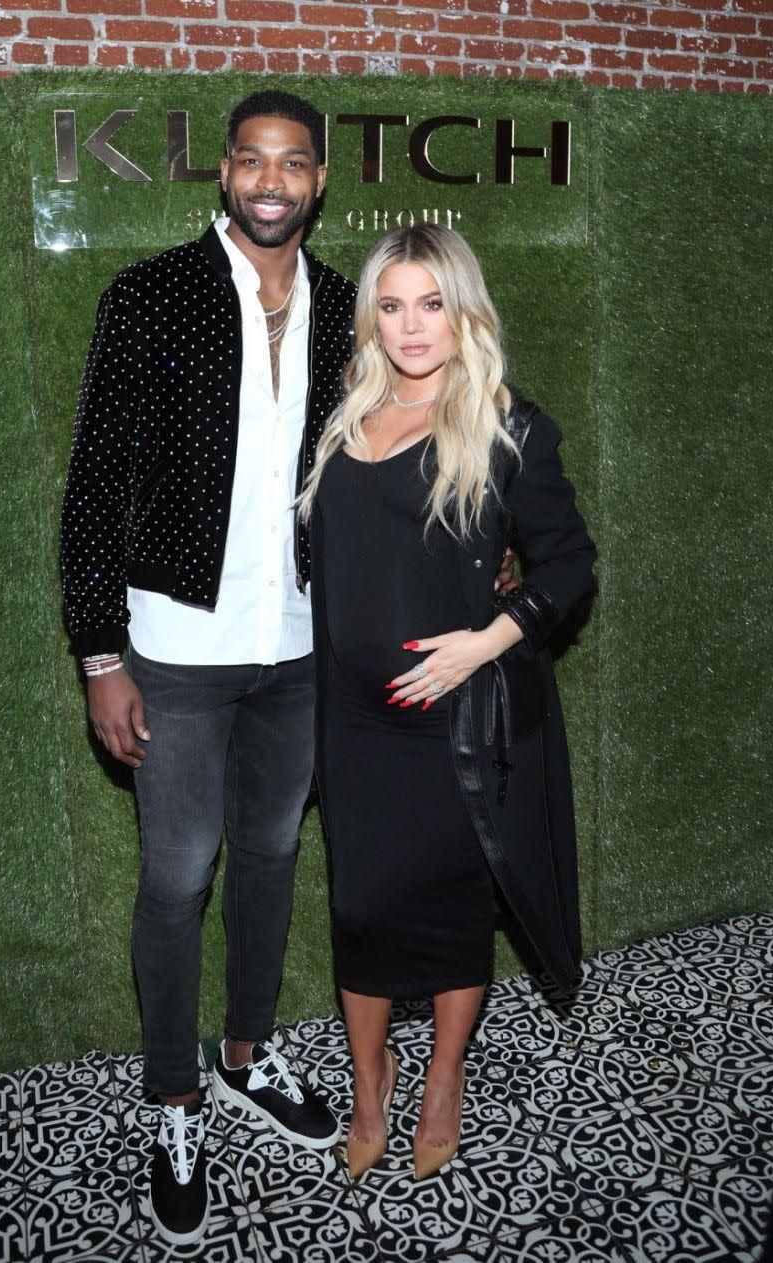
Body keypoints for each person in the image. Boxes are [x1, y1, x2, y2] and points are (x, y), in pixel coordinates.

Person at [59, 91, 356, 1246]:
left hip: (300, 646)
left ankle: (245, 1054)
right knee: (178, 877)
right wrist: (100, 654)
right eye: (252, 160)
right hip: (174, 651)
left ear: (319, 180)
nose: (272, 180)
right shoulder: (148, 297)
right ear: (223, 172)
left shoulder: (343, 308)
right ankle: (174, 1099)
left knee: (275, 854)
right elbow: (91, 489)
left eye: (294, 164)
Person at [298, 223, 596, 1182]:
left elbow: (570, 566)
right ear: (370, 318)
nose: (411, 325)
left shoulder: (509, 427)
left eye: (431, 303)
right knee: (362, 906)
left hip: (452, 727)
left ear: (461, 309)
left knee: (455, 910)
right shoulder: (343, 415)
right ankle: (371, 1078)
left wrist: (487, 639)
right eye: (391, 305)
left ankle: (444, 1079)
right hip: (350, 722)